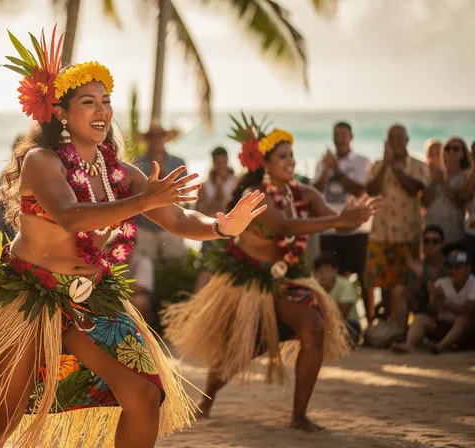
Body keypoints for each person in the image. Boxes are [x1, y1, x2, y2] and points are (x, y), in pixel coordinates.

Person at [0, 27, 266, 448]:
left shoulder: (120, 173)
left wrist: (220, 226)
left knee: (144, 394)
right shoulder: (42, 161)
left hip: (91, 296)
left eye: (105, 101)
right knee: (3, 413)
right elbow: (70, 216)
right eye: (88, 102)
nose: (101, 110)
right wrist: (143, 202)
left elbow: (178, 219)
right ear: (61, 113)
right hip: (29, 297)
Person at [163, 118, 380, 432]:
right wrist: (337, 221)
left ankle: (299, 415)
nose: (290, 161)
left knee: (314, 329)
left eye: (292, 155)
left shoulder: (303, 193)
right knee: (237, 353)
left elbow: (337, 222)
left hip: (288, 280)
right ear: (265, 163)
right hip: (249, 282)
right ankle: (206, 402)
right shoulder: (256, 195)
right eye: (282, 156)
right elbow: (285, 226)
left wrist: (351, 219)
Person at [365, 124, 429, 321]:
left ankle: (403, 323)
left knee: (407, 283)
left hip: (407, 233)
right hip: (381, 233)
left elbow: (414, 190)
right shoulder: (378, 165)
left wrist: (393, 165)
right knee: (381, 282)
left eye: (399, 137)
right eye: (391, 138)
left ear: (407, 140)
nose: (395, 142)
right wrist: (385, 165)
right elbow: (371, 190)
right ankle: (387, 323)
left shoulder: (418, 165)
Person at [311, 122, 371, 289]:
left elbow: (360, 191)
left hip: (358, 228)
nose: (340, 139)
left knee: (364, 277)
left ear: (351, 137)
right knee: (329, 278)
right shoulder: (323, 163)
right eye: (336, 134)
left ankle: (367, 308)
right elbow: (315, 193)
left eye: (344, 135)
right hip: (330, 228)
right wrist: (325, 171)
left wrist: (337, 170)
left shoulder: (362, 162)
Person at [391, 250, 475, 354]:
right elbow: (432, 312)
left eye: (458, 267)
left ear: (468, 268)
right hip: (442, 327)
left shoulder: (473, 284)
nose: (453, 270)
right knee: (421, 318)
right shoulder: (441, 283)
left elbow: (471, 312)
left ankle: (440, 347)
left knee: (463, 320)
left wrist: (450, 305)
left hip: (465, 333)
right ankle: (408, 345)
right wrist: (435, 299)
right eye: (450, 267)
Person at [133, 122, 188, 261]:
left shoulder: (178, 163)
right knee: (144, 268)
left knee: (176, 266)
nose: (157, 138)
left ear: (166, 138)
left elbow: (182, 193)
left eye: (160, 135)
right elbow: (134, 193)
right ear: (147, 139)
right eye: (152, 135)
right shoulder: (137, 163)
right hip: (145, 226)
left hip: (172, 225)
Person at [194, 146, 236, 291]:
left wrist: (221, 198)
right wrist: (217, 196)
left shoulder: (236, 182)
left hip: (232, 231)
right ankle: (197, 301)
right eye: (218, 162)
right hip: (211, 230)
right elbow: (198, 213)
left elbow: (232, 209)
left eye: (223, 162)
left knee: (229, 272)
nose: (221, 166)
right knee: (206, 269)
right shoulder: (204, 186)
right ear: (213, 163)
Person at [389, 225, 447, 333]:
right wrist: (422, 276)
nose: (430, 245)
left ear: (443, 244)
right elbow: (414, 290)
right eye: (426, 241)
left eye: (435, 241)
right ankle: (401, 333)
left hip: (443, 310)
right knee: (399, 291)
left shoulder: (450, 264)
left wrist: (424, 274)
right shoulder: (418, 265)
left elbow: (447, 290)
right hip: (423, 308)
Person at [423, 136, 470, 253]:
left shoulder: (466, 176)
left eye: (456, 149)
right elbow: (425, 202)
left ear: (463, 153)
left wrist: (443, 183)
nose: (451, 151)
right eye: (447, 148)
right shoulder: (435, 174)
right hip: (431, 236)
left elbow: (460, 203)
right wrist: (434, 181)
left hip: (454, 236)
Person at [313, 252, 361, 344]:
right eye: (319, 271)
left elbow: (341, 314)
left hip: (345, 324)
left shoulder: (345, 285)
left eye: (327, 270)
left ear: (335, 270)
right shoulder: (313, 286)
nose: (323, 275)